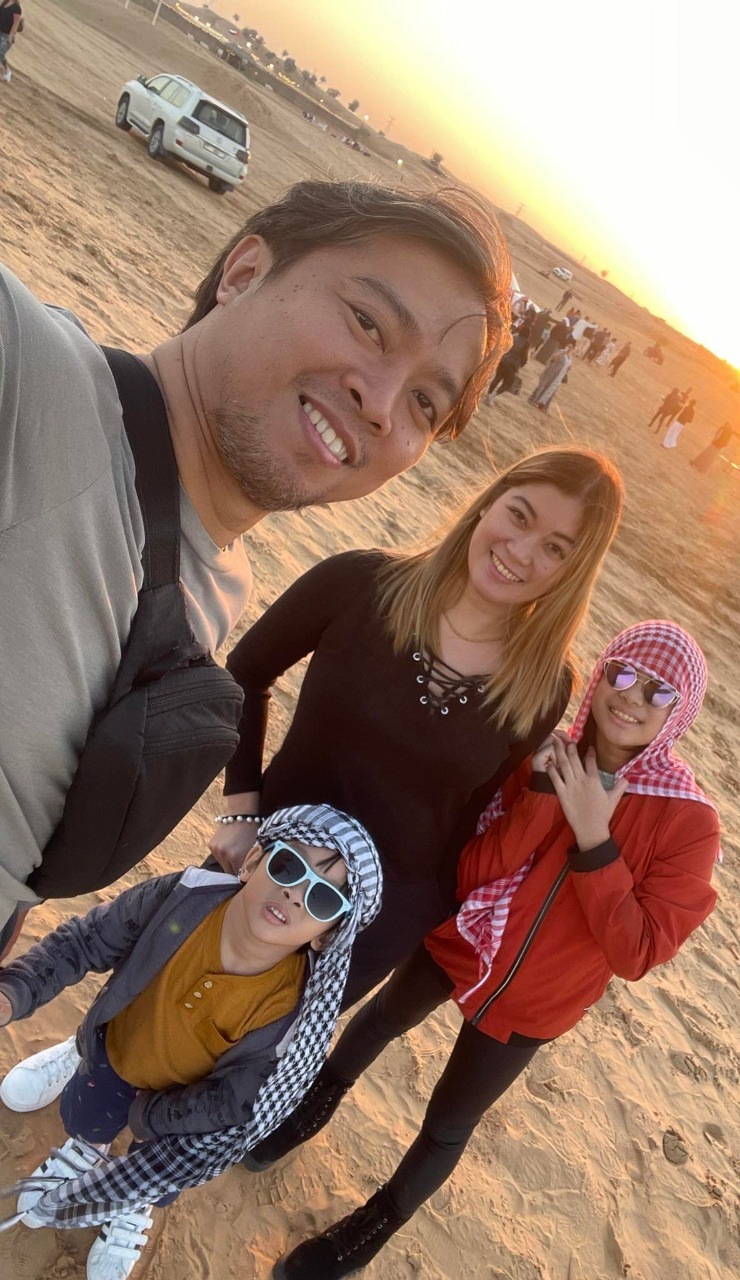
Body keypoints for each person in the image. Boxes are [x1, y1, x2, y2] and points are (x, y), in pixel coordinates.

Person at [0, 179, 512, 954]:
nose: (381, 404)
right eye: (368, 322)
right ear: (243, 274)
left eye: (424, 405)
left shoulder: (220, 577)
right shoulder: (33, 378)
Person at [269, 621, 720, 1279]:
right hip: (462, 941)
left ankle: (373, 1225)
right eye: (622, 673)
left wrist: (595, 838)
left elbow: (638, 951)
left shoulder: (690, 823)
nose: (631, 696)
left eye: (659, 692)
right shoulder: (543, 756)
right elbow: (473, 874)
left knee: (448, 1123)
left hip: (536, 1000)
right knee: (383, 1019)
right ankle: (312, 1103)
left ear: (680, 711)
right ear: (601, 674)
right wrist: (543, 797)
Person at [222, 448, 623, 1174]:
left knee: (260, 1044)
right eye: (519, 515)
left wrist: (427, 908)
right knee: (183, 978)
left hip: (380, 915)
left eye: (556, 548)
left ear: (572, 571)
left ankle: (160, 1169)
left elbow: (474, 812)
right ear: (489, 500)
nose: (522, 551)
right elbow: (247, 674)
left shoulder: (543, 686)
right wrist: (242, 808)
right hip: (267, 855)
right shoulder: (360, 583)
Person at [0, 804, 382, 1280]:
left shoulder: (289, 1019)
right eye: (288, 866)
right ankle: (86, 1150)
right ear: (253, 861)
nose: (295, 894)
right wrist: (13, 992)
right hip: (113, 1061)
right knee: (85, 1117)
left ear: (328, 936)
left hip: (182, 1118)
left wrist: (152, 1118)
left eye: (323, 899)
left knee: (157, 1174)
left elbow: (234, 1104)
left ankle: (132, 1199)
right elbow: (85, 940)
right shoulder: (178, 898)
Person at [483, 327, 530, 403]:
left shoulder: (514, 336)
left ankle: (489, 394)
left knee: (497, 378)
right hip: (512, 364)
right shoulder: (526, 343)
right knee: (508, 383)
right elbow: (524, 357)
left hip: (503, 360)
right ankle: (493, 395)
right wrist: (521, 365)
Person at [528, 338, 574, 411]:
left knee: (550, 391)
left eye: (571, 348)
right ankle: (534, 400)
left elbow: (568, 367)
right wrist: (563, 353)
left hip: (558, 378)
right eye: (568, 347)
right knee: (543, 386)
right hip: (552, 374)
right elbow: (552, 359)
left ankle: (542, 405)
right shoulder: (561, 352)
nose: (569, 349)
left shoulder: (569, 358)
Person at [0, 0, 22, 83]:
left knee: (0, 53)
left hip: (6, 36)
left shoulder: (16, 8)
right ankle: (7, 71)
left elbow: (15, 24)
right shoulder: (4, 3)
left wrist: (10, 36)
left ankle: (7, 72)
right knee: (1, 55)